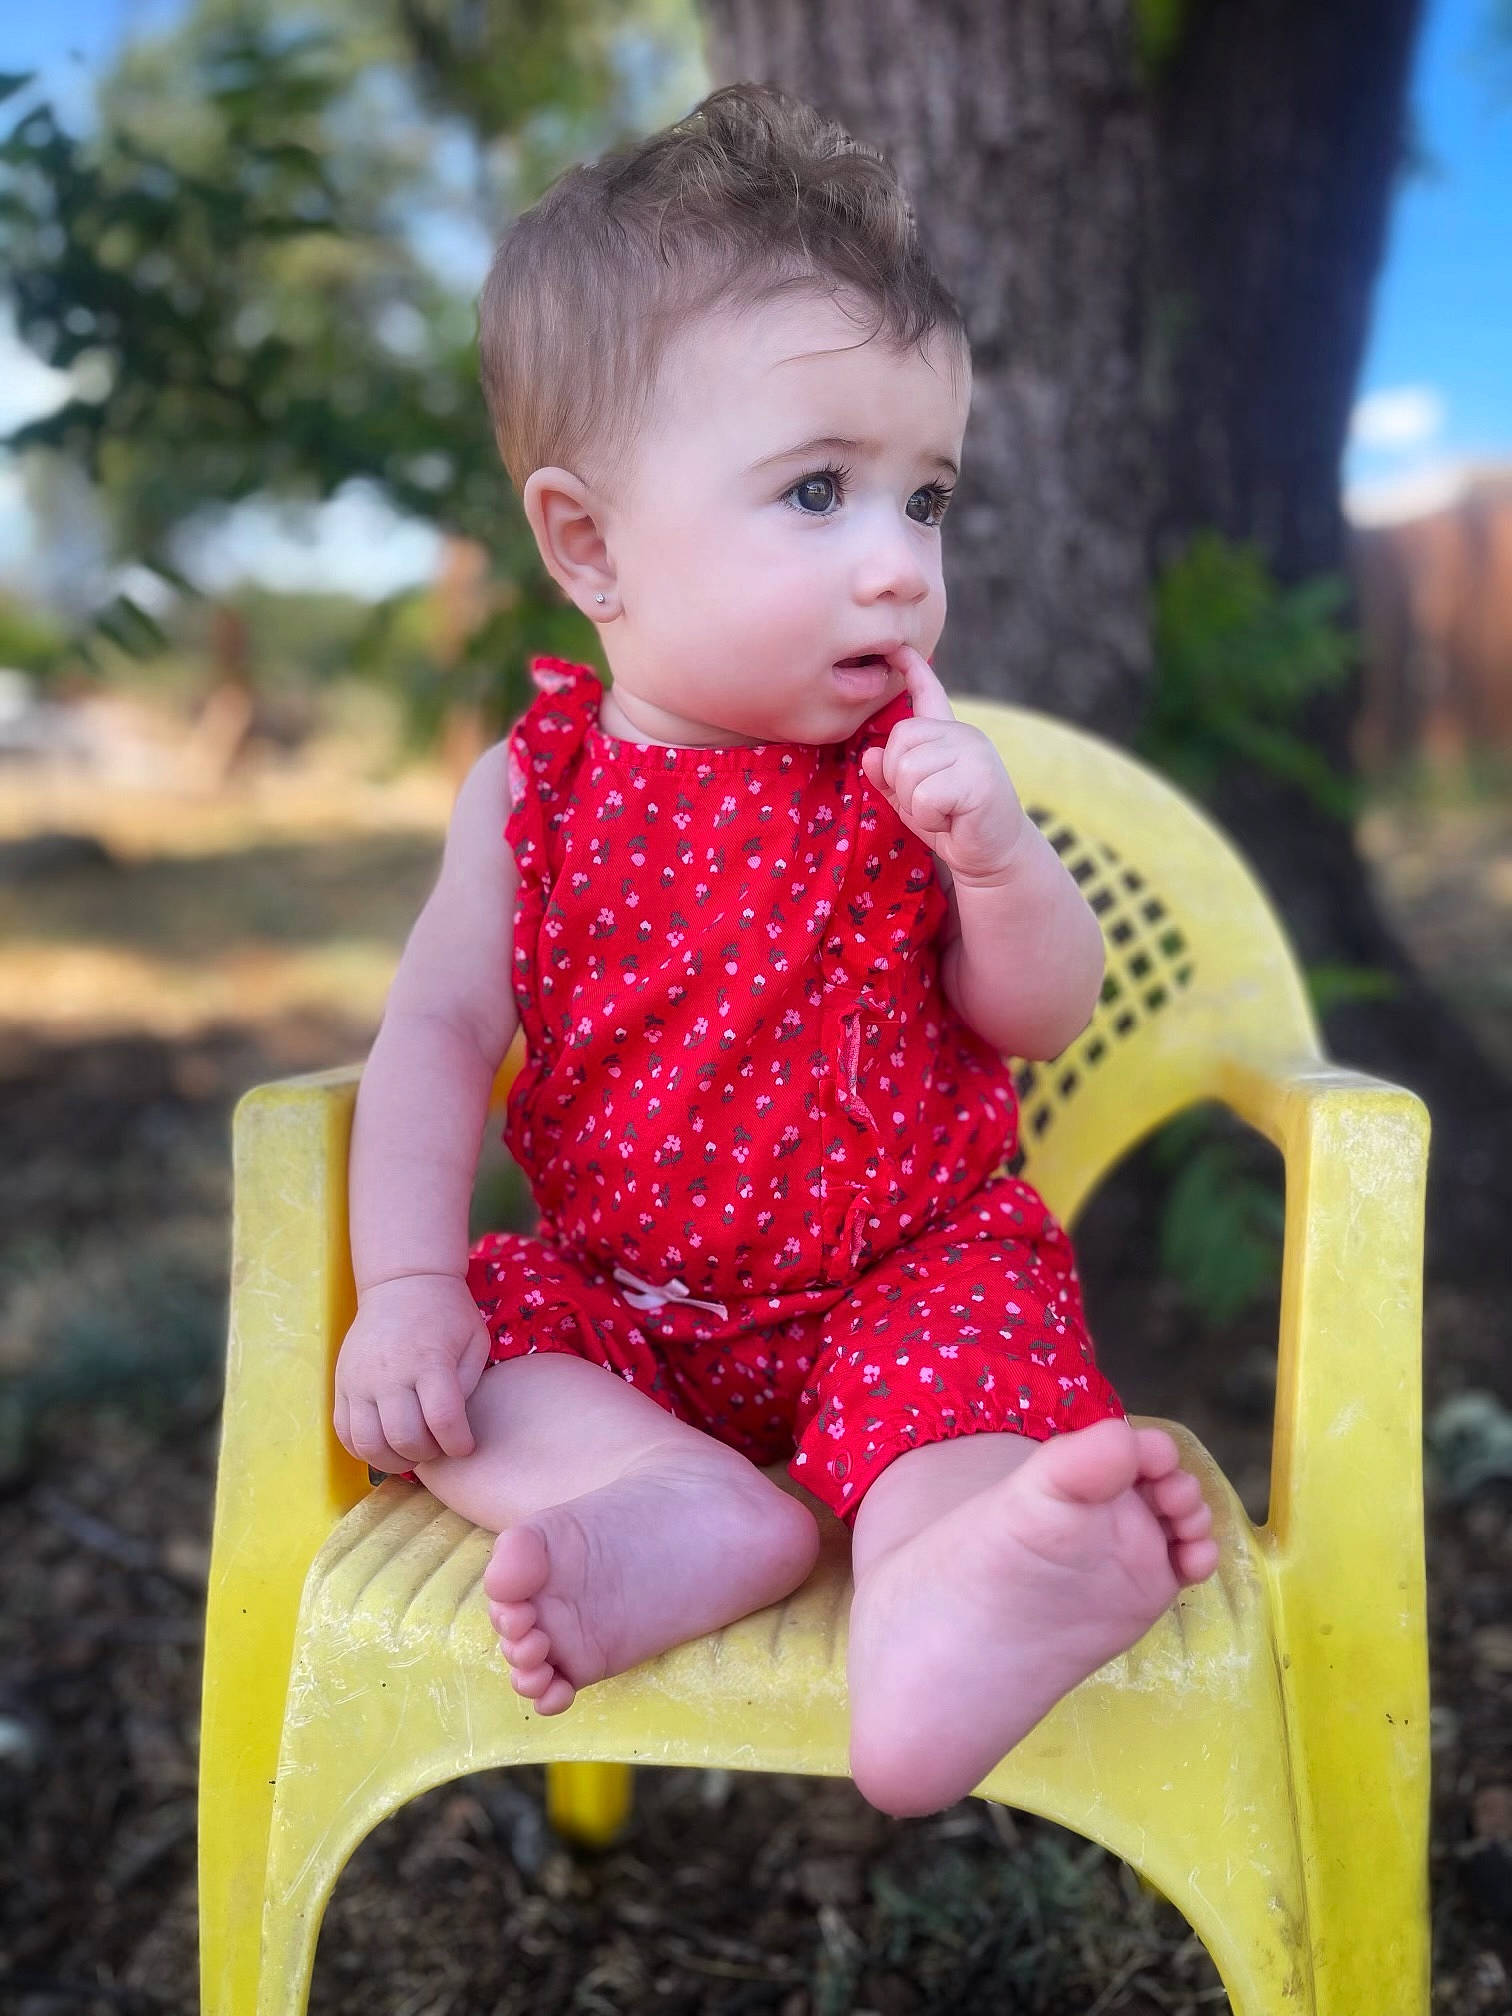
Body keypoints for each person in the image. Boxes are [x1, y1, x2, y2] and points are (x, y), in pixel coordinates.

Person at [333, 82, 1218, 1819]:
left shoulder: (911, 782)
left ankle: (949, 1597)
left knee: (972, 1350)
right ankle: (682, 1509)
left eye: (927, 498)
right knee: (490, 1359)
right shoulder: (537, 791)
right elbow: (436, 1035)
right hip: (631, 1318)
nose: (898, 568)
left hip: (896, 1284)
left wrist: (1002, 854)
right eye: (820, 492)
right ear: (589, 543)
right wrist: (415, 1286)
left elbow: (1034, 1017)